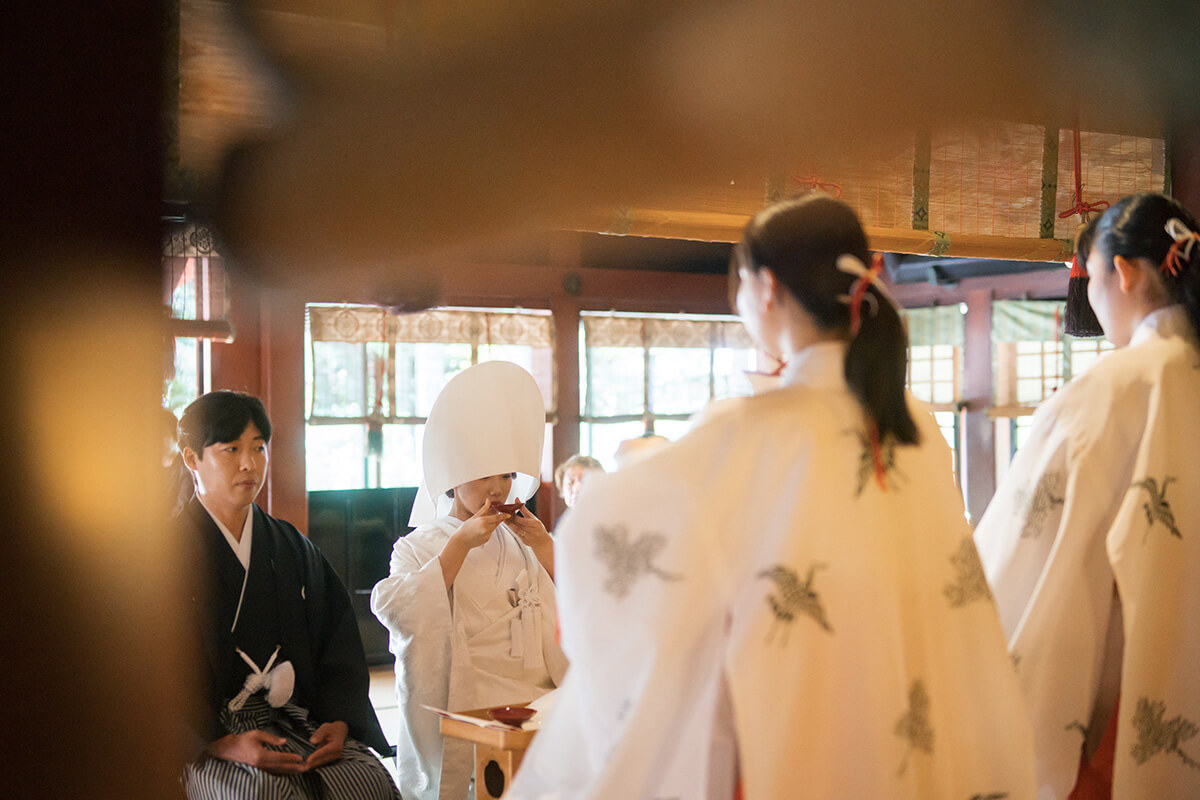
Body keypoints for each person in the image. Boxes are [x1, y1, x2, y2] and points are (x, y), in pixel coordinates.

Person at [505, 195, 1035, 800]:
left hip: (794, 696)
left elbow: (599, 529)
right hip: (903, 684)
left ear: (766, 289)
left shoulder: (749, 429)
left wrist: (631, 468)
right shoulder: (912, 421)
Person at [974, 192, 1200, 799]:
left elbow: (1028, 566)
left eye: (1091, 276)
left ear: (1122, 273)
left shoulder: (1109, 392)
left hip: (1129, 702)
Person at [177, 390, 398, 800]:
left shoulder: (290, 547)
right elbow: (147, 674)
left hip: (294, 720)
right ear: (192, 458)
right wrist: (217, 741)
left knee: (369, 783)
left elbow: (336, 639)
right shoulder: (162, 557)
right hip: (208, 737)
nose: (249, 463)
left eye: (258, 448)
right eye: (231, 449)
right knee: (263, 795)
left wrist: (340, 720)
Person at [371, 361, 568, 800]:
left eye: (507, 475)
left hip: (536, 694)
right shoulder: (418, 546)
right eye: (484, 476)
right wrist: (458, 546)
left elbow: (580, 604)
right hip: (466, 697)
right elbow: (395, 609)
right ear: (454, 478)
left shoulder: (521, 539)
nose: (497, 489)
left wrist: (544, 546)